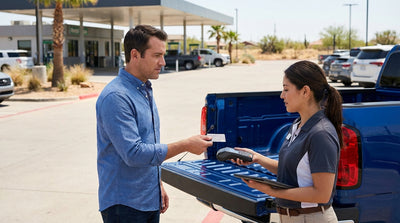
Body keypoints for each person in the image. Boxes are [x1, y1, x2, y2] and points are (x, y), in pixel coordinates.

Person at [96, 25, 213, 223]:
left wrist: (156, 183)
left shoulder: (144, 89)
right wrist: (185, 145)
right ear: (135, 55)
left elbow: (147, 143)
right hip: (124, 206)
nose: (163, 62)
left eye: (163, 55)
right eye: (157, 55)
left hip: (147, 198)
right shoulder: (116, 97)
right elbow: (134, 153)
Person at [233, 60, 343, 223]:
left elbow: (322, 193)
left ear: (305, 91)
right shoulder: (297, 125)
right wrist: (257, 158)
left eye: (286, 89)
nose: (281, 95)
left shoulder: (321, 134)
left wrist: (272, 190)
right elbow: (294, 173)